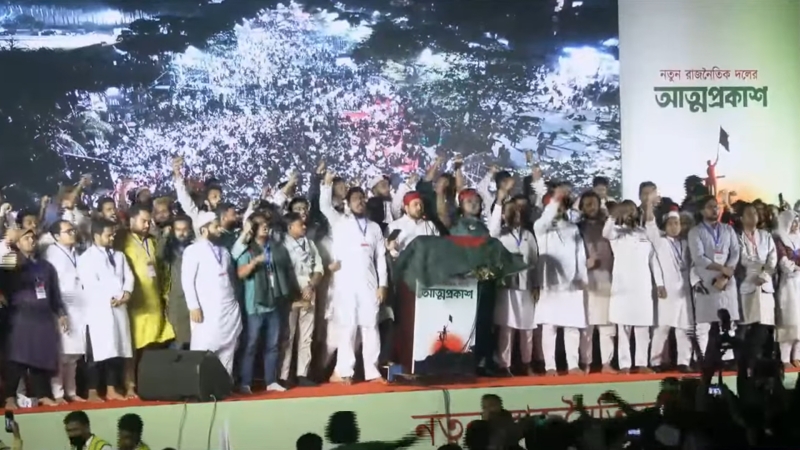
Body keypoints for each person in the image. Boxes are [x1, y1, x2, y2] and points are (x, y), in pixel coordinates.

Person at [3, 227, 67, 408]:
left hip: (43, 317)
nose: (31, 241)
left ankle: (42, 394)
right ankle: (9, 397)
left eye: (33, 238)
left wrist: (61, 313)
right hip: (20, 316)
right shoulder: (11, 261)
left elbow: (54, 293)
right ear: (17, 243)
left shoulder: (46, 266)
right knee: (17, 357)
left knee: (41, 355)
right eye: (26, 238)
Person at [330, 186, 388, 385]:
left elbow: (380, 258)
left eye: (362, 198)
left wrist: (383, 285)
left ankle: (373, 371)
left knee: (371, 326)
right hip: (347, 283)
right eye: (355, 198)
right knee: (348, 326)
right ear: (347, 203)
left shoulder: (374, 228)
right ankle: (343, 371)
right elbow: (336, 255)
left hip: (369, 283)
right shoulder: (341, 225)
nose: (360, 201)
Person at [233, 212, 294, 392]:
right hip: (255, 305)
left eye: (266, 223)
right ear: (253, 229)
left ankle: (271, 381)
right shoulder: (247, 249)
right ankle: (245, 382)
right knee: (251, 345)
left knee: (273, 345)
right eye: (260, 224)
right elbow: (240, 273)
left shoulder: (275, 247)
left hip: (274, 301)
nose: (265, 226)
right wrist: (255, 262)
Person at [119, 204, 175, 396]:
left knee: (152, 344)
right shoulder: (122, 240)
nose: (147, 225)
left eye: (149, 221)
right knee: (132, 348)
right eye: (143, 221)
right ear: (131, 220)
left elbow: (162, 270)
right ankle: (129, 386)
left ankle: (148, 384)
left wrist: (165, 293)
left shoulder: (152, 241)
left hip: (154, 301)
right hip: (134, 303)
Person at [77, 219, 135, 402]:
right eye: (108, 235)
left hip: (119, 309)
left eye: (113, 235)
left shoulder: (119, 256)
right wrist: (110, 297)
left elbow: (129, 277)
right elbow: (90, 284)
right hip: (98, 311)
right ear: (96, 236)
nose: (112, 238)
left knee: (116, 351)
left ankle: (111, 389)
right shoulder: (86, 258)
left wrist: (126, 293)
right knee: (97, 353)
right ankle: (93, 391)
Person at [533, 188, 587, 376]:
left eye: (561, 206)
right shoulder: (541, 228)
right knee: (550, 326)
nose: (558, 209)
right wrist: (555, 200)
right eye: (555, 205)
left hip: (572, 283)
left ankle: (573, 364)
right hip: (550, 284)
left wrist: (582, 277)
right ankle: (550, 366)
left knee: (572, 326)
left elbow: (580, 255)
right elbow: (545, 220)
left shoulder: (573, 228)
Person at [181, 211, 242, 375]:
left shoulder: (224, 251)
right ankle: (200, 385)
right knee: (203, 349)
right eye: (216, 227)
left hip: (228, 309)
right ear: (204, 230)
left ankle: (225, 385)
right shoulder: (192, 250)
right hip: (206, 310)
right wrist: (193, 306)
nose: (220, 229)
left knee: (228, 350)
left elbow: (229, 279)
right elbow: (187, 281)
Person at [604, 196, 659, 374]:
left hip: (642, 285)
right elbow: (605, 232)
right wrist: (613, 216)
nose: (629, 214)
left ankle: (642, 363)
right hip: (623, 286)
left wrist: (659, 283)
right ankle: (625, 365)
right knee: (623, 328)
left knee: (643, 327)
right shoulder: (616, 232)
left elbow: (653, 260)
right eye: (625, 211)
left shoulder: (644, 233)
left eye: (632, 210)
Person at [488, 190, 539, 376]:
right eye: (511, 212)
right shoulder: (500, 234)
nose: (516, 214)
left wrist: (536, 284)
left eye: (518, 211)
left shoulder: (528, 235)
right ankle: (504, 365)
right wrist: (499, 203)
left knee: (527, 327)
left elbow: (535, 261)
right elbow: (492, 232)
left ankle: (527, 363)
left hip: (525, 286)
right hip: (506, 286)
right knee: (506, 327)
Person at [688, 195, 740, 363]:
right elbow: (698, 257)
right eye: (710, 207)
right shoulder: (695, 232)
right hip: (706, 278)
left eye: (716, 206)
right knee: (704, 322)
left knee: (728, 322)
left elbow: (735, 253)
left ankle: (728, 359)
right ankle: (705, 359)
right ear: (702, 211)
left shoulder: (728, 229)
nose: (715, 210)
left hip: (727, 279)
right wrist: (721, 269)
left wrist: (726, 274)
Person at [44, 220, 87, 403]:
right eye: (68, 231)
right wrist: (59, 310)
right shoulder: (51, 254)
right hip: (62, 305)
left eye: (73, 230)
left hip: (80, 306)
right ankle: (58, 393)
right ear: (56, 236)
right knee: (61, 353)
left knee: (74, 354)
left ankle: (71, 391)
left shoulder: (77, 252)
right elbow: (52, 286)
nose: (72, 233)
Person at [282, 212, 324, 387]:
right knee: (288, 335)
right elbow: (283, 271)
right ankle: (284, 375)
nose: (304, 227)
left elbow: (319, 268)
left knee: (307, 335)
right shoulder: (282, 244)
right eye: (301, 225)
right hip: (291, 290)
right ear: (290, 227)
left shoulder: (310, 244)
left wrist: (311, 286)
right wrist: (295, 291)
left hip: (309, 288)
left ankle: (302, 373)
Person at [649, 207, 694, 372]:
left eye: (677, 223)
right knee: (663, 327)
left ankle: (684, 361)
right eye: (670, 224)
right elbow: (655, 264)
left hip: (685, 290)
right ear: (664, 226)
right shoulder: (660, 242)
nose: (674, 227)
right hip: (667, 290)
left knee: (685, 327)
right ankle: (655, 361)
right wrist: (659, 284)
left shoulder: (686, 243)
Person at [577, 191, 616, 374]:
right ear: (582, 208)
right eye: (587, 204)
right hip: (586, 279)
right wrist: (585, 264)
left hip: (607, 277)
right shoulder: (577, 229)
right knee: (587, 324)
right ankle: (585, 363)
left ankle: (607, 363)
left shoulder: (608, 226)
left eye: (594, 203)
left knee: (607, 323)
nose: (591, 207)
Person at [737, 203, 777, 369]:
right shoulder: (738, 237)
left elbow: (772, 258)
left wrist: (763, 274)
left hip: (765, 284)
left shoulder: (766, 236)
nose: (753, 216)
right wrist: (758, 270)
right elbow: (743, 259)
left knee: (765, 326)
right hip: (748, 284)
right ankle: (747, 361)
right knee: (748, 325)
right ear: (741, 218)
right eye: (749, 214)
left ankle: (762, 361)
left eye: (755, 213)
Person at [158, 215, 194, 349]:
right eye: (178, 229)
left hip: (194, 299)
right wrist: (165, 237)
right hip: (176, 298)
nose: (182, 233)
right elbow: (158, 256)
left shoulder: (195, 247)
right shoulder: (169, 248)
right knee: (178, 339)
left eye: (185, 229)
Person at [775, 210, 800, 366]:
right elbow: (783, 263)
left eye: (798, 220)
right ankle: (784, 358)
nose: (796, 224)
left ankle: (797, 355)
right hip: (788, 283)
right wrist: (795, 267)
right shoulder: (780, 239)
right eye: (793, 221)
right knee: (788, 319)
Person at [386, 191, 439, 257]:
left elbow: (438, 245)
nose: (419, 208)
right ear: (406, 208)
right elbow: (389, 251)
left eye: (421, 204)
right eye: (415, 205)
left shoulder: (430, 225)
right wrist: (393, 249)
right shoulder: (394, 226)